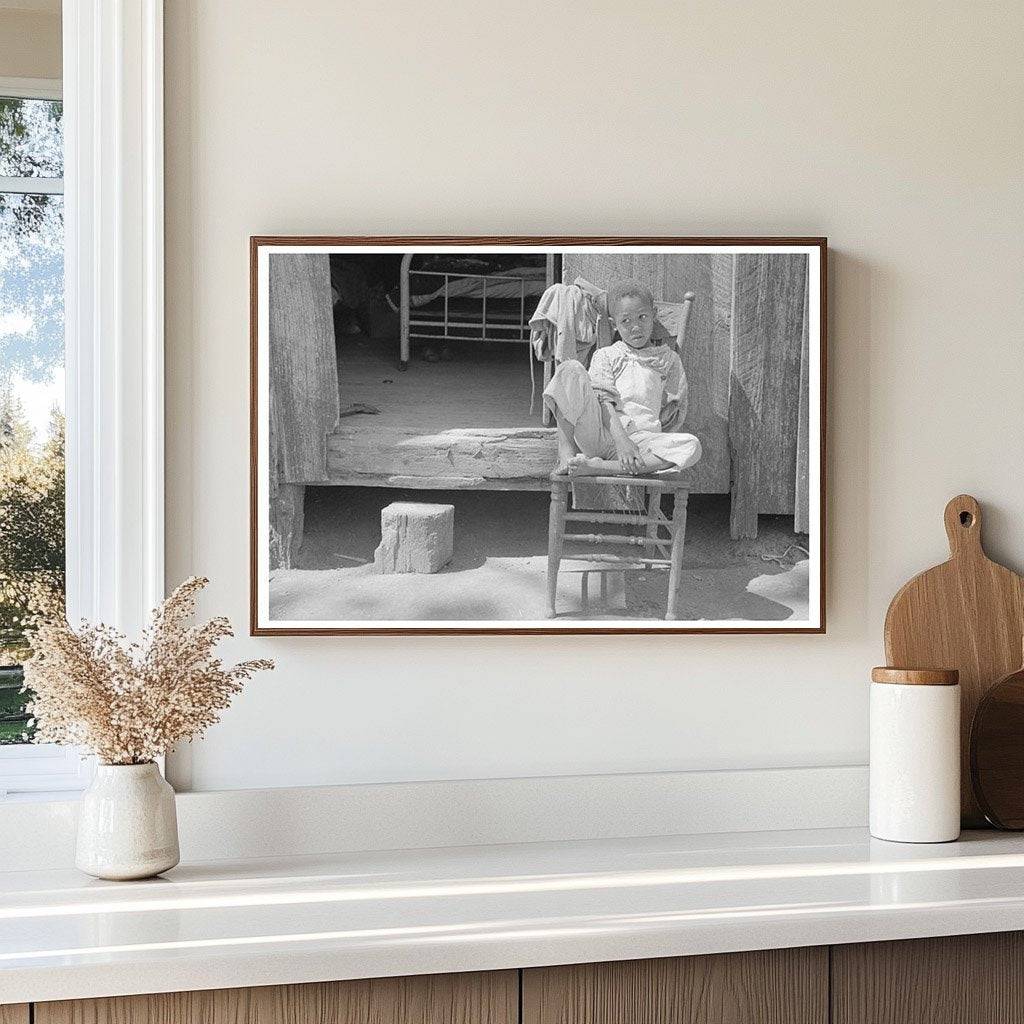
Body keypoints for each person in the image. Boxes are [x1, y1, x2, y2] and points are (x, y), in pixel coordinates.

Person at [542, 280, 702, 477]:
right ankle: (566, 453)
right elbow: (602, 398)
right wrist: (622, 441)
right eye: (626, 321)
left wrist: (653, 440)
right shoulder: (607, 355)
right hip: (600, 434)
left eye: (642, 317)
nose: (635, 327)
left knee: (692, 445)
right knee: (571, 368)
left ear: (654, 315)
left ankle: (596, 468)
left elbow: (674, 409)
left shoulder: (669, 360)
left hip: (642, 441)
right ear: (613, 324)